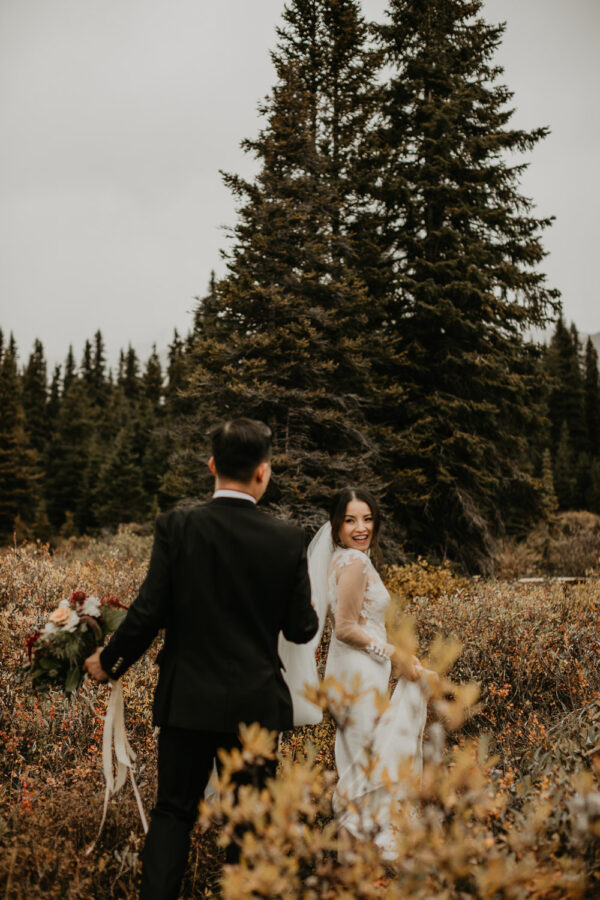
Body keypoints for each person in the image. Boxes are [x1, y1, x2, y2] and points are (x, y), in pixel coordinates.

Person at [84, 418, 318, 900]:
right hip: (255, 706)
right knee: (249, 823)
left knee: (173, 813)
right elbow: (301, 629)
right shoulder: (288, 539)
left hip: (187, 701)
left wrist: (109, 661)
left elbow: (148, 611)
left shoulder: (177, 527)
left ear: (212, 466)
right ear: (263, 472)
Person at [308, 487, 428, 859]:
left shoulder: (344, 559)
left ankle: (355, 863)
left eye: (367, 519)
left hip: (356, 672)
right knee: (362, 770)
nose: (361, 528)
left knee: (360, 765)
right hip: (356, 676)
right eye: (350, 520)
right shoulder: (354, 563)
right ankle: (353, 864)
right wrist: (394, 653)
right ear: (336, 525)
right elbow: (345, 627)